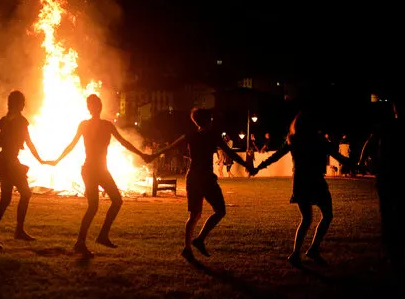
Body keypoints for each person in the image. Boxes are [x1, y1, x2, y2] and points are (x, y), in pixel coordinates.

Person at [50, 94, 153, 257]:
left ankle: (102, 235)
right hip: (90, 169)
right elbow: (71, 144)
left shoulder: (106, 125)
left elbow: (123, 142)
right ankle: (81, 242)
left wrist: (142, 154)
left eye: (96, 104)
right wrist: (57, 160)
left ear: (98, 107)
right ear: (91, 108)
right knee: (93, 206)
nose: (95, 107)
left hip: (101, 170)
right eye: (93, 105)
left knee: (117, 201)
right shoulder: (85, 125)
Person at [253, 111, 353, 266]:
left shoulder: (293, 140)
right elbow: (338, 156)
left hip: (300, 181)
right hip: (316, 180)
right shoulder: (319, 140)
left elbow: (276, 156)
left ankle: (295, 254)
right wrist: (357, 165)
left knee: (306, 219)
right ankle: (312, 249)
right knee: (327, 215)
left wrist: (258, 167)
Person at [152, 108, 253, 262]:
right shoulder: (213, 135)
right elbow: (229, 152)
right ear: (207, 120)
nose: (212, 121)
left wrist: (151, 156)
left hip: (192, 177)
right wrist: (246, 164)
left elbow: (171, 146)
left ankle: (187, 248)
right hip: (205, 177)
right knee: (220, 211)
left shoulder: (191, 135)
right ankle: (199, 240)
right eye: (210, 119)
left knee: (194, 215)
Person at [0, 90, 49, 250]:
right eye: (22, 102)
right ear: (17, 104)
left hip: (6, 161)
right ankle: (14, 231)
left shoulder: (6, 120)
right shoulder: (20, 121)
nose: (24, 104)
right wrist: (40, 159)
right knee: (24, 194)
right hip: (10, 163)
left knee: (7, 199)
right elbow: (29, 143)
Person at [358, 95, 405, 273]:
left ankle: (391, 248)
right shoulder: (391, 127)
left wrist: (361, 162)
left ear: (394, 109)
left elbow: (369, 143)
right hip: (397, 174)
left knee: (387, 212)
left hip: (386, 174)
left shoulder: (386, 126)